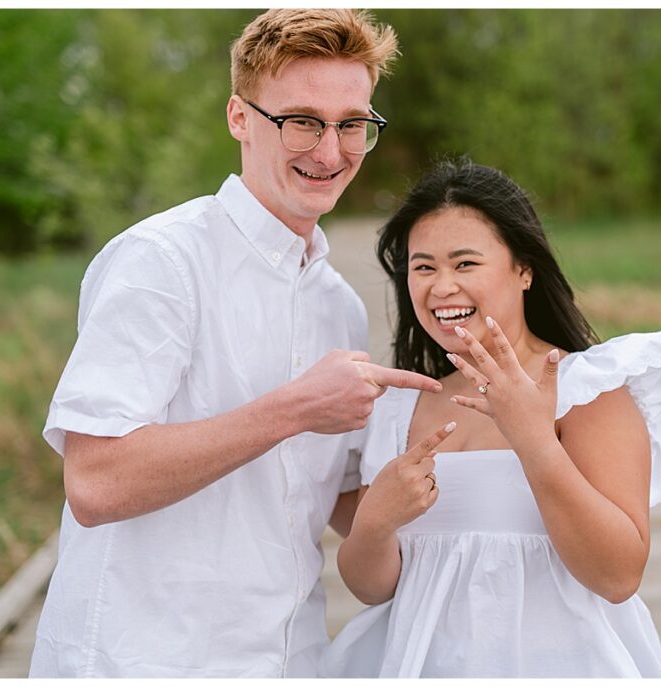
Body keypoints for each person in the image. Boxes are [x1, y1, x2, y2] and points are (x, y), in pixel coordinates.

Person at [29, 9, 443, 678]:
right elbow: (95, 481)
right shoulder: (162, 261)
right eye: (302, 121)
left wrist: (501, 454)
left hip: (289, 659)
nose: (330, 152)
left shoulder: (337, 302)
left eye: (351, 124)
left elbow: (339, 498)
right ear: (239, 118)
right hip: (144, 662)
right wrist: (296, 408)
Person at [320, 158, 661, 678]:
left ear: (524, 270)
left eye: (465, 264)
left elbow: (618, 576)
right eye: (424, 267)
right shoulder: (400, 407)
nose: (442, 287)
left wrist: (535, 441)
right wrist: (374, 523)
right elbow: (374, 589)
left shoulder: (585, 389)